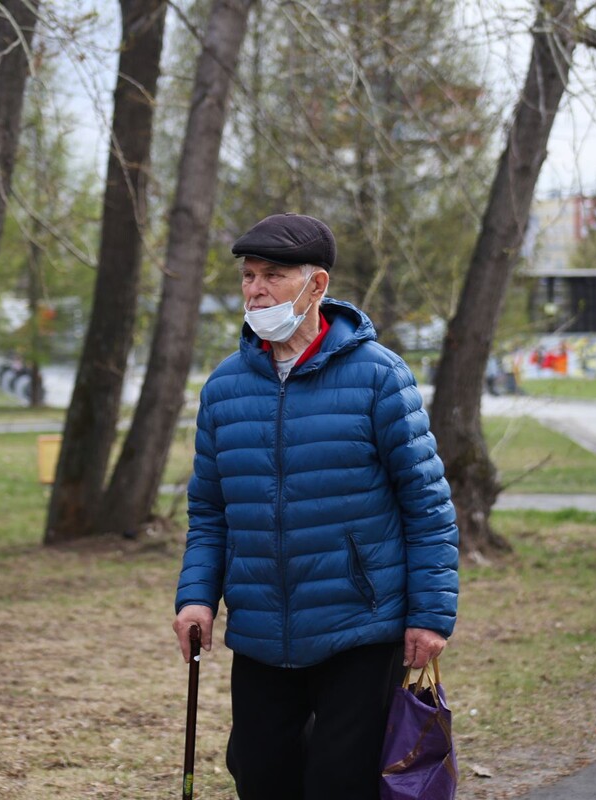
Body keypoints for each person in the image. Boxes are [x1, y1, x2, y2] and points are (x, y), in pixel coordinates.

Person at [172, 213, 459, 800]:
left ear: (317, 285)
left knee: (340, 784)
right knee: (261, 776)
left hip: (357, 627)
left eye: (273, 276)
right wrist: (197, 597)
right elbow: (209, 510)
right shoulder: (224, 388)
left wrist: (430, 615)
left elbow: (427, 503)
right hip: (258, 631)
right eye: (249, 277)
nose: (255, 290)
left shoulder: (379, 377)